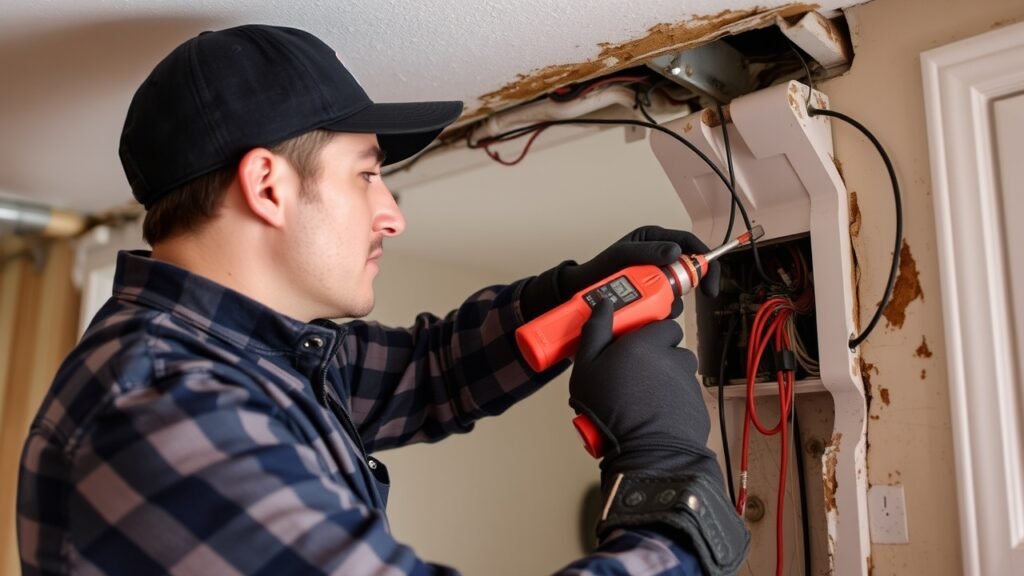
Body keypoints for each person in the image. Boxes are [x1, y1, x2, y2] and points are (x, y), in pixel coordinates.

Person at [16, 24, 748, 575]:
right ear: (267, 186)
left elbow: (427, 374)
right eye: (366, 174)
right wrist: (668, 485)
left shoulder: (242, 357)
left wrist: (572, 295)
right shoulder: (167, 410)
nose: (392, 212)